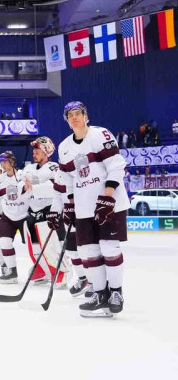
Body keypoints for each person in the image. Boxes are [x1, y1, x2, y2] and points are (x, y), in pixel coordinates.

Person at [50, 101, 129, 317]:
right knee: (89, 251)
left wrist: (107, 198)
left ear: (86, 116)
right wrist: (68, 205)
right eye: (70, 115)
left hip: (110, 203)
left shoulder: (100, 134)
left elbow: (116, 165)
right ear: (66, 121)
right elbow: (67, 178)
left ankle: (116, 292)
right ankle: (99, 293)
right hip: (84, 207)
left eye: (78, 113)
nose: (74, 117)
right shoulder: (65, 147)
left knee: (109, 247)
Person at [21, 137, 67, 287]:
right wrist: (26, 186)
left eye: (38, 150)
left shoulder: (54, 167)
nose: (34, 153)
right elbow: (22, 183)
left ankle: (60, 272)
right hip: (31, 212)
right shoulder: (29, 167)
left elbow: (51, 186)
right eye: (34, 150)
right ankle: (41, 270)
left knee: (51, 247)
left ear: (46, 152)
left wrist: (32, 186)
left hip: (48, 211)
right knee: (34, 248)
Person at [0, 151, 29, 284]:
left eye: (5, 161)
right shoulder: (0, 179)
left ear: (12, 162)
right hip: (8, 216)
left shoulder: (22, 176)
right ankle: (12, 271)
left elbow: (29, 193)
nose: (3, 163)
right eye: (1, 161)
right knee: (4, 242)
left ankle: (42, 269)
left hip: (24, 215)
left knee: (34, 246)